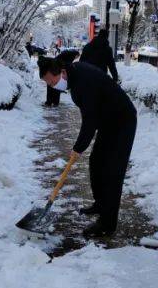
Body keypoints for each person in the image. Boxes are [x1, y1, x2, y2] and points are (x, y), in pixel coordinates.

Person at [38, 55, 137, 237]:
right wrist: (80, 146)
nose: (52, 87)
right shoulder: (74, 76)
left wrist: (78, 148)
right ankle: (101, 204)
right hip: (107, 120)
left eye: (52, 82)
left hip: (123, 120)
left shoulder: (82, 83)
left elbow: (89, 121)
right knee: (96, 162)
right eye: (48, 84)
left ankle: (107, 224)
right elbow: (92, 116)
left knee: (112, 172)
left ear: (62, 72)